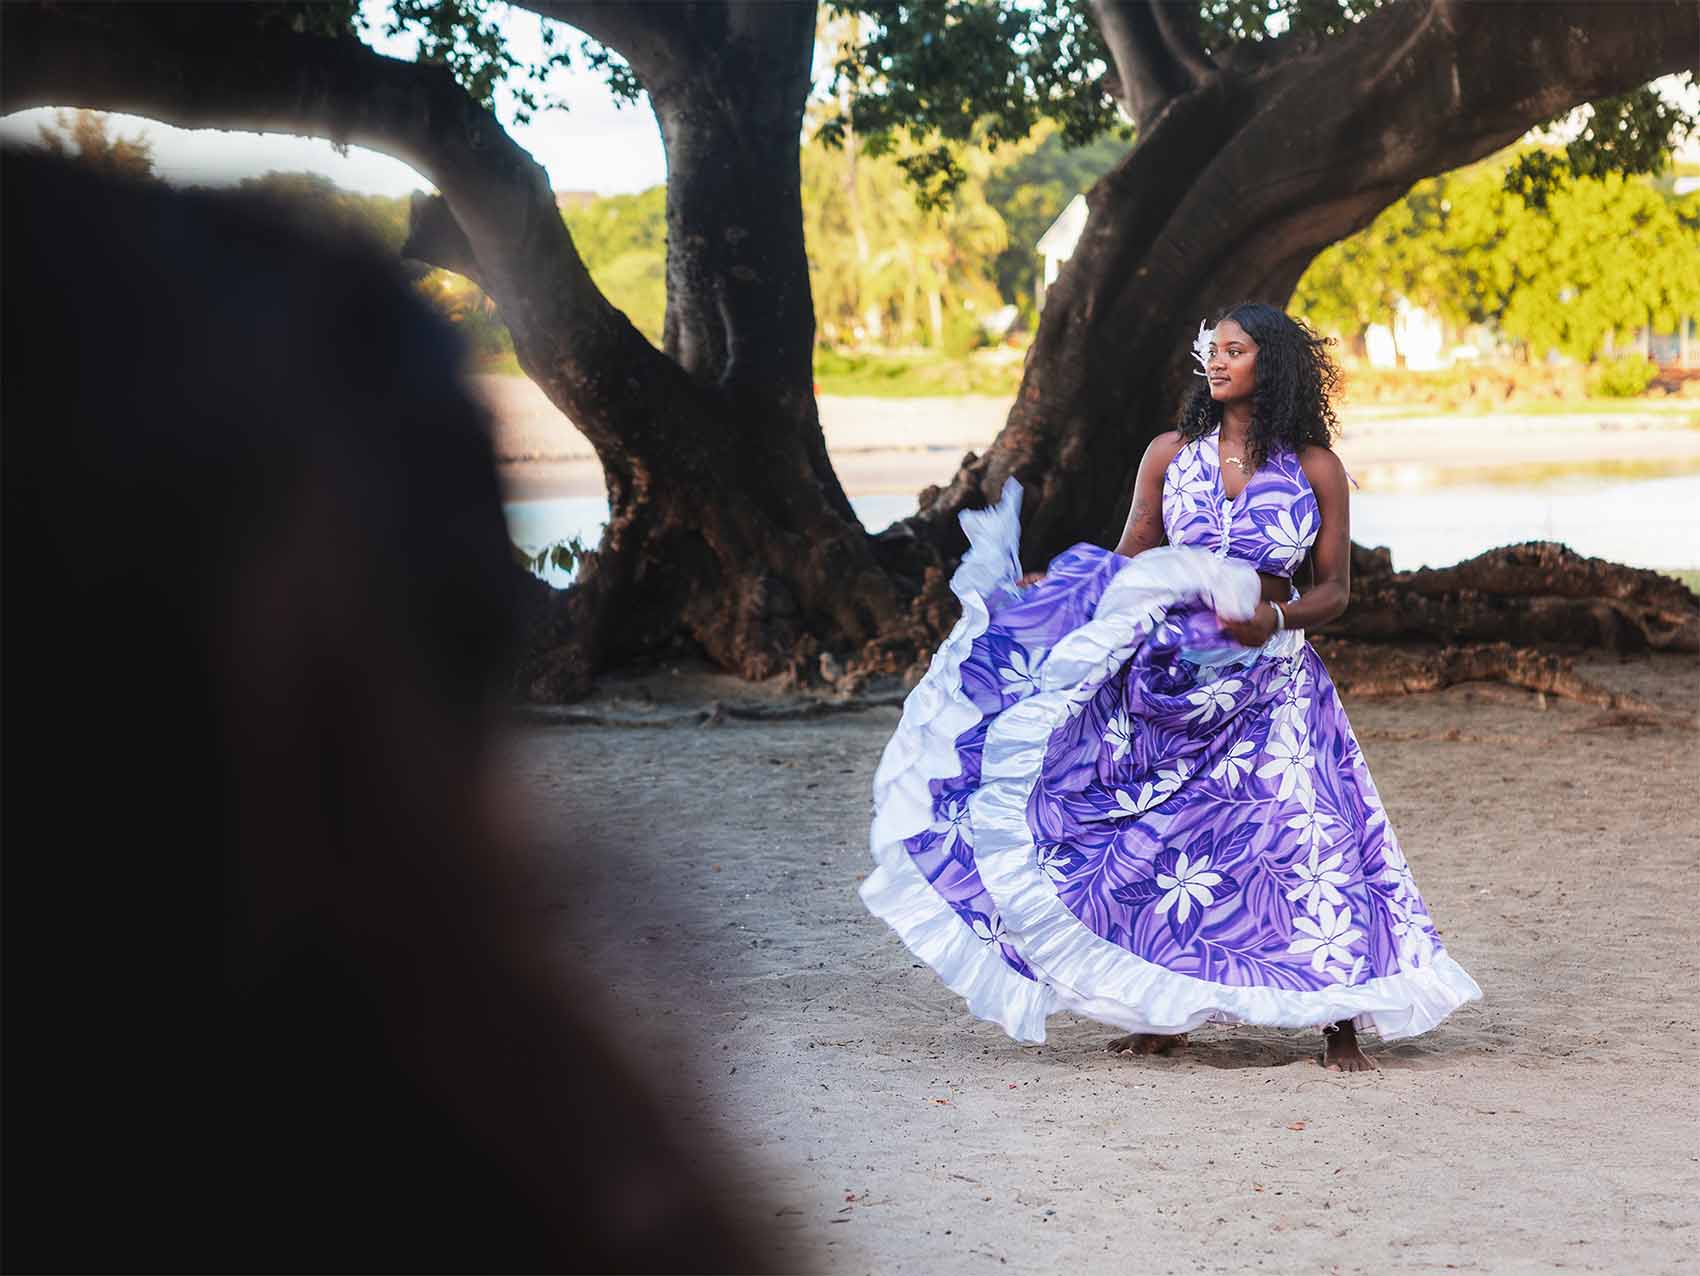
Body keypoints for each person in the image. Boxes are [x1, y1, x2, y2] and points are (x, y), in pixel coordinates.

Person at [862, 302, 1480, 1072]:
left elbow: (1336, 590)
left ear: (1273, 364)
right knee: (1159, 839)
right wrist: (1051, 587)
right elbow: (1131, 557)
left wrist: (1278, 618)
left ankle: (1339, 1022)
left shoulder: (1314, 468)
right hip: (1167, 675)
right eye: (1211, 350)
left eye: (1235, 351)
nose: (1216, 363)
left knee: (1303, 836)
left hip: (1273, 680)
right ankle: (1161, 1015)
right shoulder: (1168, 455)